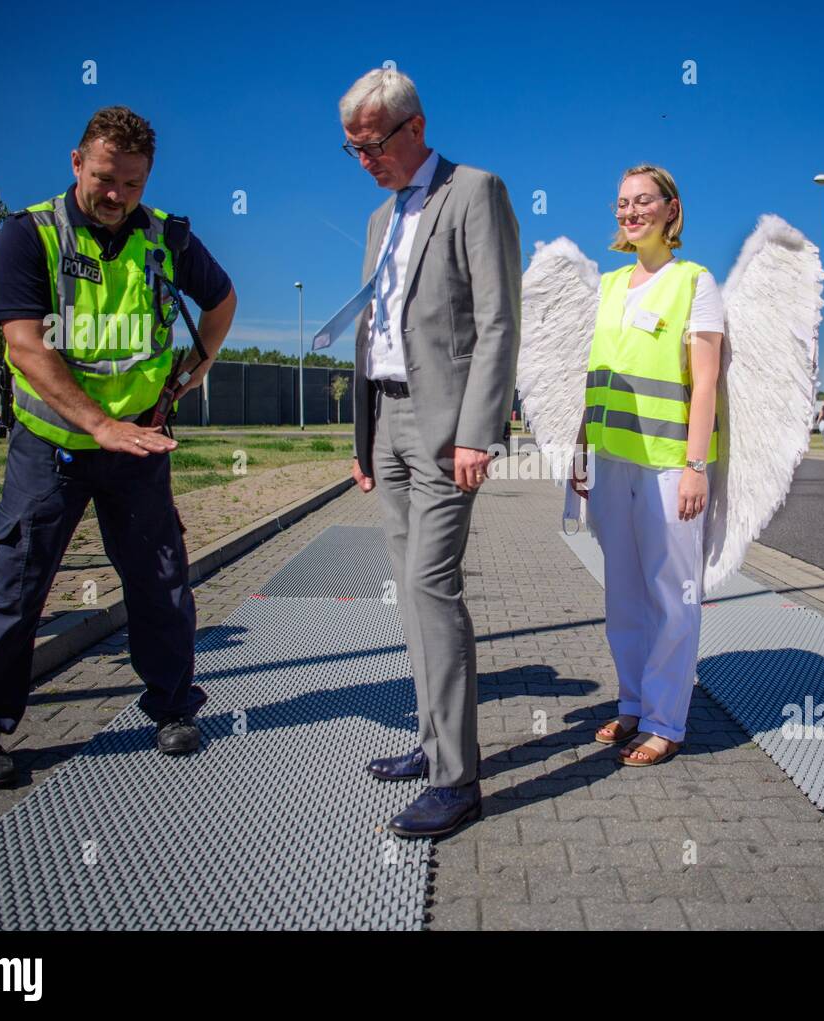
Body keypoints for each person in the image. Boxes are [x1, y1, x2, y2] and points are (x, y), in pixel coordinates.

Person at [0, 106, 237, 787]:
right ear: (77, 163)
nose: (117, 196)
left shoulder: (168, 238)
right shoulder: (28, 236)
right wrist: (97, 425)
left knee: (160, 581)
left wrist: (191, 373)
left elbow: (220, 303)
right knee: (16, 584)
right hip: (51, 444)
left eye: (131, 184)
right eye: (105, 179)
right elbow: (25, 345)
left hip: (135, 441)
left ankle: (171, 707)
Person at [335, 69, 520, 838]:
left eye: (370, 144)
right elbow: (377, 329)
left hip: (447, 428)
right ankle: (432, 738)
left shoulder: (475, 191)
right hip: (387, 422)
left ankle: (457, 779)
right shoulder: (381, 217)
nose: (363, 160)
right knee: (408, 592)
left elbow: (500, 318)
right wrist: (364, 438)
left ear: (413, 127)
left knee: (432, 586)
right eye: (350, 149)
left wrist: (480, 429)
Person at [571, 164, 724, 767]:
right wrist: (581, 448)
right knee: (623, 593)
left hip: (667, 464)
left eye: (642, 202)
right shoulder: (609, 286)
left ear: (670, 209)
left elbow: (705, 382)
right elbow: (596, 377)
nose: (629, 212)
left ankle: (666, 721)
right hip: (611, 461)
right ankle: (632, 702)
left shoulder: (695, 282)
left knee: (672, 594)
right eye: (621, 204)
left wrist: (695, 466)